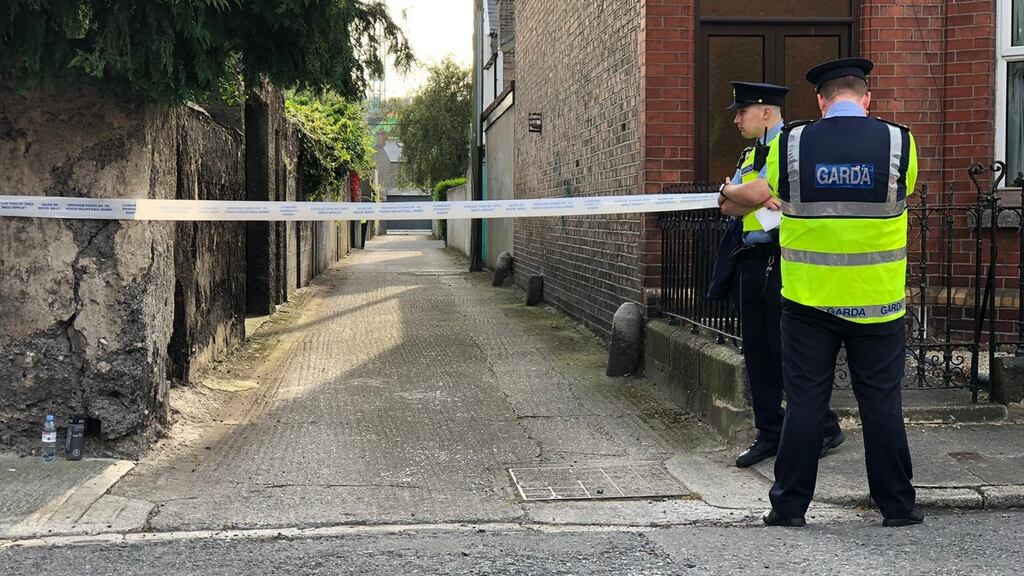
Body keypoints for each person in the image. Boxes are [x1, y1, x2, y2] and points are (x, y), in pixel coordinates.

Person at [761, 58, 923, 527]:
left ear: (820, 100)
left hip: (809, 301)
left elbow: (770, 191)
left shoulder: (790, 143)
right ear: (866, 98)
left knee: (807, 404)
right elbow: (903, 190)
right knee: (881, 406)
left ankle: (788, 508)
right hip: (879, 302)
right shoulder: (899, 141)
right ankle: (897, 506)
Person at [717, 82, 844, 469]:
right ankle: (769, 433)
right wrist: (735, 192)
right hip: (751, 260)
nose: (737, 119)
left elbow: (757, 192)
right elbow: (727, 208)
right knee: (757, 353)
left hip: (783, 258)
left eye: (743, 111)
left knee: (786, 351)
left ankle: (824, 427)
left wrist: (730, 188)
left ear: (766, 112)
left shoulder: (791, 144)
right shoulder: (750, 151)